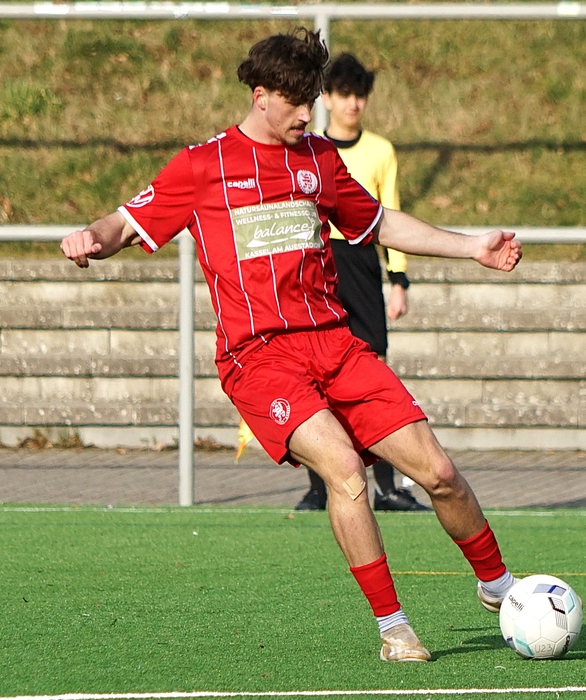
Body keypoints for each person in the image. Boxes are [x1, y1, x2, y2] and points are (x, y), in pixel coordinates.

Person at [60, 28, 522, 663]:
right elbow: (123, 222)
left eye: (313, 100)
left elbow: (378, 222)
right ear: (260, 97)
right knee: (345, 468)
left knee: (439, 473)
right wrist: (90, 237)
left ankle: (501, 587)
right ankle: (394, 627)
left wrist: (472, 246)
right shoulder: (202, 166)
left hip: (335, 344)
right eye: (297, 101)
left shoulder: (319, 158)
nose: (309, 114)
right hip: (258, 360)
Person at [292, 52, 427, 513]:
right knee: (316, 377)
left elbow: (390, 215)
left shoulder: (381, 151)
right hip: (318, 262)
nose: (353, 104)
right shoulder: (307, 149)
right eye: (344, 94)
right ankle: (319, 486)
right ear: (327, 98)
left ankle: (387, 487)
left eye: (360, 95)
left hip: (363, 262)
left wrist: (399, 279)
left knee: (375, 373)